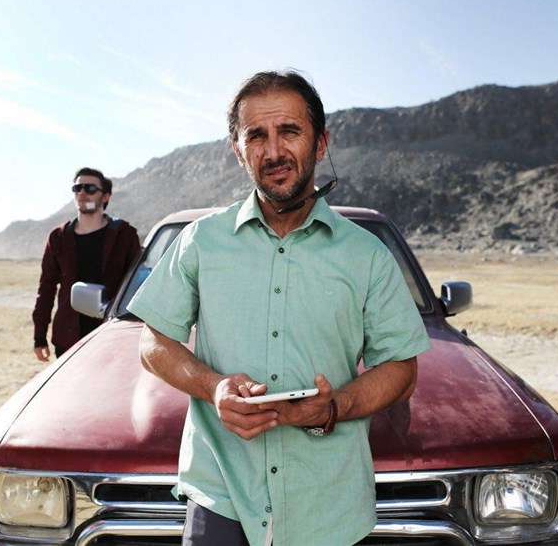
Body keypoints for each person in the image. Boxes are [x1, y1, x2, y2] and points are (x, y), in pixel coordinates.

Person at [128, 71, 431, 546]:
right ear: (238, 150)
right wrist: (214, 387)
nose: (273, 152)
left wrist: (334, 407)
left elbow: (401, 369)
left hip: (328, 503)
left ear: (321, 143)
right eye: (256, 136)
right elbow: (153, 342)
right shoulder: (200, 241)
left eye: (290, 131)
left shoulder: (367, 256)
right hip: (222, 497)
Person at [33, 167, 140, 361]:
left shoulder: (124, 235)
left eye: (90, 188)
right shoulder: (58, 237)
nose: (82, 193)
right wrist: (39, 337)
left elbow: (138, 285)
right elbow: (46, 288)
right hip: (68, 338)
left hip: (112, 336)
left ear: (105, 196)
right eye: (77, 188)